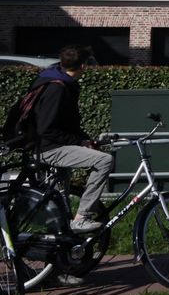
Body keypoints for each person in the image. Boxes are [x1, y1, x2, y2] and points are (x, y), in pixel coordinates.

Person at [31, 46, 114, 234]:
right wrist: (77, 141)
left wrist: (83, 139)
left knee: (61, 201)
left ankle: (61, 242)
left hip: (53, 145)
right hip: (50, 148)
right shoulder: (57, 89)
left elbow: (67, 125)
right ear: (83, 65)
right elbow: (47, 129)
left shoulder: (58, 80)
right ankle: (82, 217)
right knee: (104, 160)